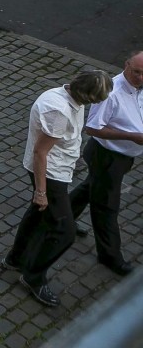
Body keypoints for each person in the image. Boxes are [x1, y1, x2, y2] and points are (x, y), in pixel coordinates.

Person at [1, 70, 113, 307]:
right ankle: (33, 276)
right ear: (85, 95)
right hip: (51, 174)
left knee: (37, 214)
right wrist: (40, 192)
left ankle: (15, 258)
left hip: (57, 169)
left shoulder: (62, 97)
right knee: (64, 232)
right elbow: (41, 153)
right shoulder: (59, 112)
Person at [69, 51, 143, 276]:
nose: (141, 78)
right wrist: (132, 136)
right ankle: (110, 256)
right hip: (107, 156)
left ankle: (61, 217)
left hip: (124, 156)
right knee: (106, 206)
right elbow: (92, 128)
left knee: (90, 187)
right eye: (137, 72)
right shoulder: (112, 92)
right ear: (126, 65)